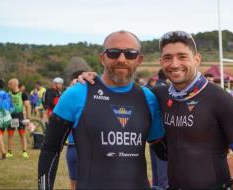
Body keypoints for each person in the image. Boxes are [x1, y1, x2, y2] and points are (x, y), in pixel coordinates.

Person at [78, 31, 233, 189]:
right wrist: (91, 79)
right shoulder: (157, 95)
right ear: (160, 62)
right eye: (167, 57)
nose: (174, 64)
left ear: (197, 59)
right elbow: (120, 89)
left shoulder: (221, 100)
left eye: (182, 56)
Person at [38, 30, 164, 189]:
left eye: (130, 54)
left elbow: (163, 150)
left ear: (139, 59)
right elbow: (50, 150)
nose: (121, 59)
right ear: (102, 57)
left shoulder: (149, 98)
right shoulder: (76, 94)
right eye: (113, 53)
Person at [7, 78, 31, 158]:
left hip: (19, 116)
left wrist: (28, 117)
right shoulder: (8, 94)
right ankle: (9, 152)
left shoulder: (22, 94)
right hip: (11, 117)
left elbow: (27, 105)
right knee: (10, 135)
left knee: (22, 134)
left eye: (9, 84)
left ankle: (24, 152)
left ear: (14, 85)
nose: (8, 86)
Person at [0, 79, 13, 160]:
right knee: (0, 134)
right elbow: (12, 107)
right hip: (7, 117)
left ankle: (4, 154)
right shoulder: (7, 94)